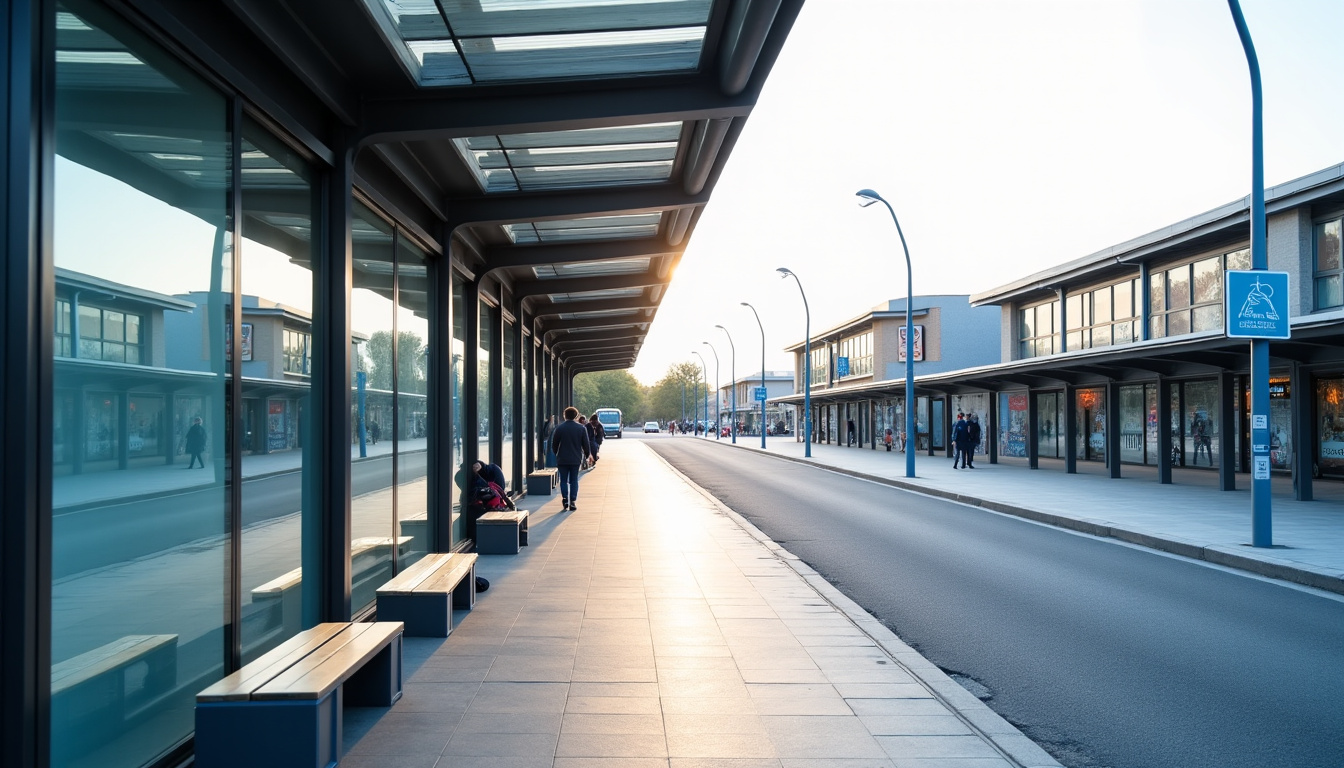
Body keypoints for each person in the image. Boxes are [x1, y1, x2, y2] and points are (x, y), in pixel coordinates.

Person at [550, 406, 589, 511]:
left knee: (563, 480)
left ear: (565, 415)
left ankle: (565, 499)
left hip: (562, 458)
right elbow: (586, 444)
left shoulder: (560, 428)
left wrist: (557, 454)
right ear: (576, 416)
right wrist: (587, 455)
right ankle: (572, 501)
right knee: (574, 480)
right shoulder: (581, 428)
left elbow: (554, 444)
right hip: (575, 458)